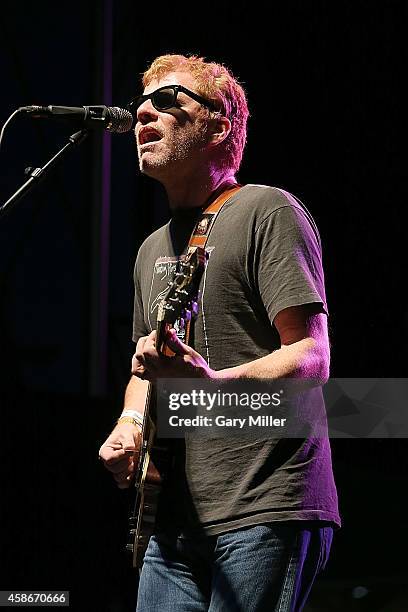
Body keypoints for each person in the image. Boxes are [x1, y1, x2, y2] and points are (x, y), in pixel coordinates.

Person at [99, 54, 340, 611]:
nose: (142, 114)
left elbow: (312, 355)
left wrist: (212, 383)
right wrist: (130, 423)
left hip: (267, 505)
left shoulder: (266, 210)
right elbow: (146, 367)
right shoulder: (150, 250)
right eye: (140, 104)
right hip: (175, 517)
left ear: (218, 126)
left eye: (166, 101)